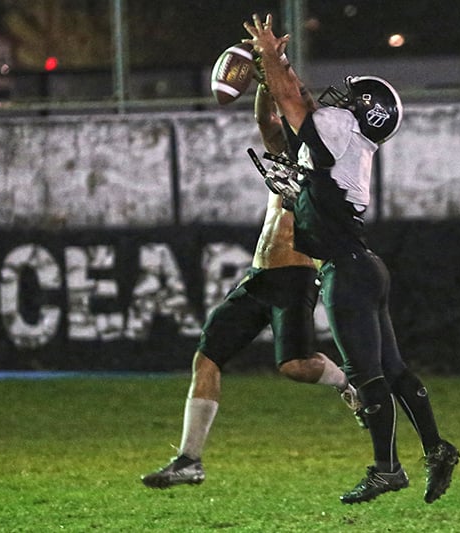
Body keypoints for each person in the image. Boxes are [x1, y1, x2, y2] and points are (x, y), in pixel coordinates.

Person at [243, 13, 460, 505]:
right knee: (395, 372)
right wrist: (269, 73)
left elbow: (293, 100)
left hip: (348, 271)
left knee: (368, 377)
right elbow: (277, 113)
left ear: (361, 112)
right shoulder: (348, 143)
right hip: (363, 267)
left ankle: (388, 469)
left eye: (349, 100)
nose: (334, 101)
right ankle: (437, 448)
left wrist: (270, 57)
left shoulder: (338, 128)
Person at [141, 70, 360, 489]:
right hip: (258, 275)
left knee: (295, 366)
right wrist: (264, 77)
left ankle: (347, 381)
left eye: (304, 99)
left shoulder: (331, 165)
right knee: (207, 356)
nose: (298, 102)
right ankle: (189, 460)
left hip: (296, 277)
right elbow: (266, 121)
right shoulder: (290, 151)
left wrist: (279, 75)